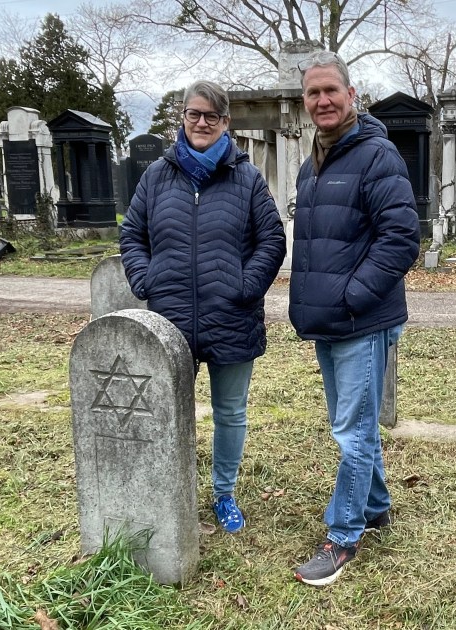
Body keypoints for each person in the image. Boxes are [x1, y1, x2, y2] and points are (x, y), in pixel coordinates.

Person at [119, 80, 286, 534]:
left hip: (231, 316)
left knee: (229, 412)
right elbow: (132, 234)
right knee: (167, 407)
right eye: (194, 113)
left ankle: (223, 493)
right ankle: (169, 488)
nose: (202, 123)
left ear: (225, 122)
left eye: (212, 116)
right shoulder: (157, 176)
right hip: (169, 317)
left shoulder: (247, 178)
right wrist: (145, 279)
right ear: (183, 117)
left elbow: (272, 240)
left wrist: (245, 287)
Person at [289, 51, 420, 586]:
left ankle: (343, 536)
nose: (322, 100)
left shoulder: (376, 156)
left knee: (352, 431)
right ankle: (377, 507)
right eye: (313, 92)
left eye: (331, 90)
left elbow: (401, 238)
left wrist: (352, 297)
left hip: (361, 320)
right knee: (356, 425)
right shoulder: (312, 164)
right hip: (329, 319)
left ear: (351, 95)